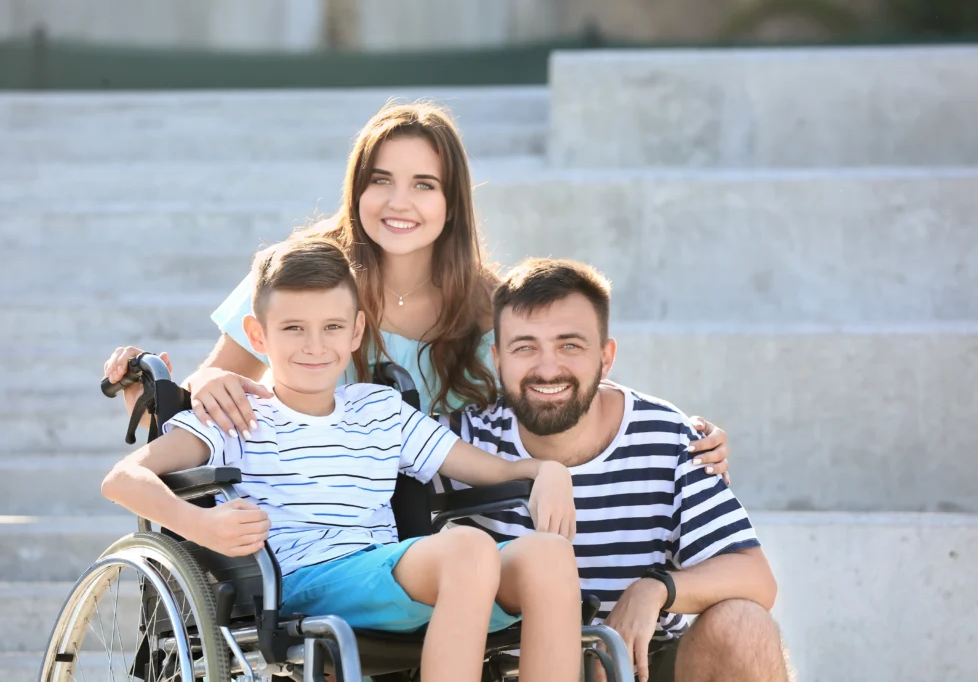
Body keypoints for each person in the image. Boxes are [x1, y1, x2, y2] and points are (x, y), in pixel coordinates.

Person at [104, 99, 734, 478]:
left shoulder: (490, 305)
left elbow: (557, 378)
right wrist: (196, 384)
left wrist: (683, 433)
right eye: (382, 180)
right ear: (358, 189)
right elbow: (213, 383)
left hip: (451, 516)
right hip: (311, 503)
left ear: (452, 203)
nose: (398, 203)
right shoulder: (301, 276)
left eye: (424, 185)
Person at [100, 239, 584, 682]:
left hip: (388, 574)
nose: (315, 345)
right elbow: (124, 479)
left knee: (548, 556)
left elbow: (495, 471)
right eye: (293, 328)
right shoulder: (236, 417)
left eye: (332, 327)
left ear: (355, 331)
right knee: (468, 548)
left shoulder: (379, 408)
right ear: (258, 335)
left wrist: (549, 470)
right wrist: (199, 525)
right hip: (301, 582)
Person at [440, 258, 790, 682]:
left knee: (743, 624)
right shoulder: (464, 442)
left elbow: (755, 576)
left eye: (570, 345)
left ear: (606, 357)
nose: (548, 368)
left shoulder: (669, 437)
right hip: (510, 669)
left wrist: (656, 588)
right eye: (525, 346)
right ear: (497, 358)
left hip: (645, 663)